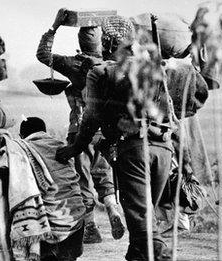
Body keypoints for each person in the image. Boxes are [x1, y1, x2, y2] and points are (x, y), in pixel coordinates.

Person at [56, 16, 172, 261]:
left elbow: (91, 118)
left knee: (142, 222)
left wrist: (75, 148)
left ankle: (160, 256)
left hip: (134, 150)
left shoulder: (100, 72)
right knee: (144, 213)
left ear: (106, 43)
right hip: (164, 149)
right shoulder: (155, 66)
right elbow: (177, 109)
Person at [36, 8, 124, 243]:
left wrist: (54, 27)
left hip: (79, 130)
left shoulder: (74, 64)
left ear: (80, 41)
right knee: (104, 175)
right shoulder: (110, 63)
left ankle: (91, 227)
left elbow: (43, 55)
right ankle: (113, 209)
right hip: (105, 131)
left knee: (81, 179)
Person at [20, 117, 86, 261]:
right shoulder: (60, 146)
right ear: (44, 132)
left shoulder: (22, 149)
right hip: (75, 220)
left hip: (47, 227)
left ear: (21, 136)